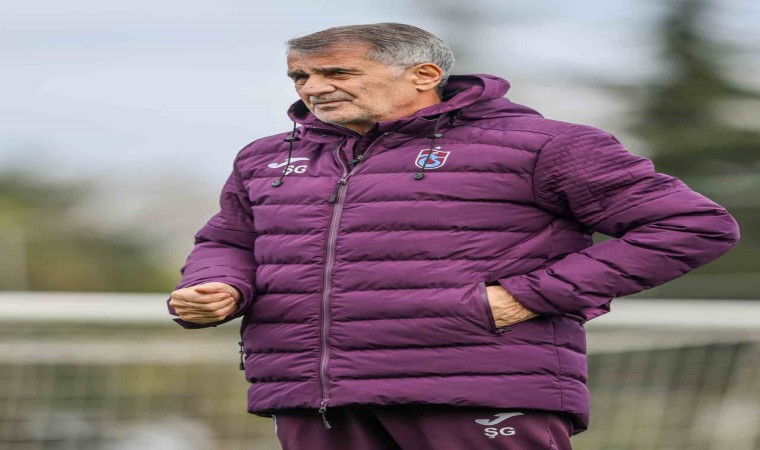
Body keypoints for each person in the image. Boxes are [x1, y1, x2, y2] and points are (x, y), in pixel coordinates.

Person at [167, 23, 740, 450]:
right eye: (301, 76)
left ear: (424, 76)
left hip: (481, 390)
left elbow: (692, 226)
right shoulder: (265, 157)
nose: (313, 88)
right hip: (311, 398)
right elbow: (230, 241)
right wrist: (217, 286)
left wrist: (524, 298)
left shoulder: (547, 145)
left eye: (337, 73)